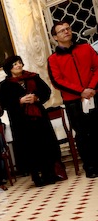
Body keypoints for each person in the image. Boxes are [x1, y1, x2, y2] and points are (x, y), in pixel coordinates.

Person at [0, 56, 61, 187]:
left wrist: (36, 98)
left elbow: (46, 91)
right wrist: (19, 101)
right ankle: (36, 177)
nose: (19, 65)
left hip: (39, 118)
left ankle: (50, 174)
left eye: (20, 62)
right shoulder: (4, 85)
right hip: (21, 122)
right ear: (9, 68)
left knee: (45, 144)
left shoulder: (33, 77)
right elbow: (2, 104)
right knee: (29, 148)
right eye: (15, 64)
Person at [47, 20, 98, 179]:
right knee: (83, 134)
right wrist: (81, 91)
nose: (66, 32)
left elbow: (97, 68)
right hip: (73, 101)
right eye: (61, 31)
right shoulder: (53, 59)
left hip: (94, 95)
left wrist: (91, 88)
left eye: (67, 29)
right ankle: (90, 166)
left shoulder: (85, 48)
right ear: (55, 37)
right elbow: (57, 81)